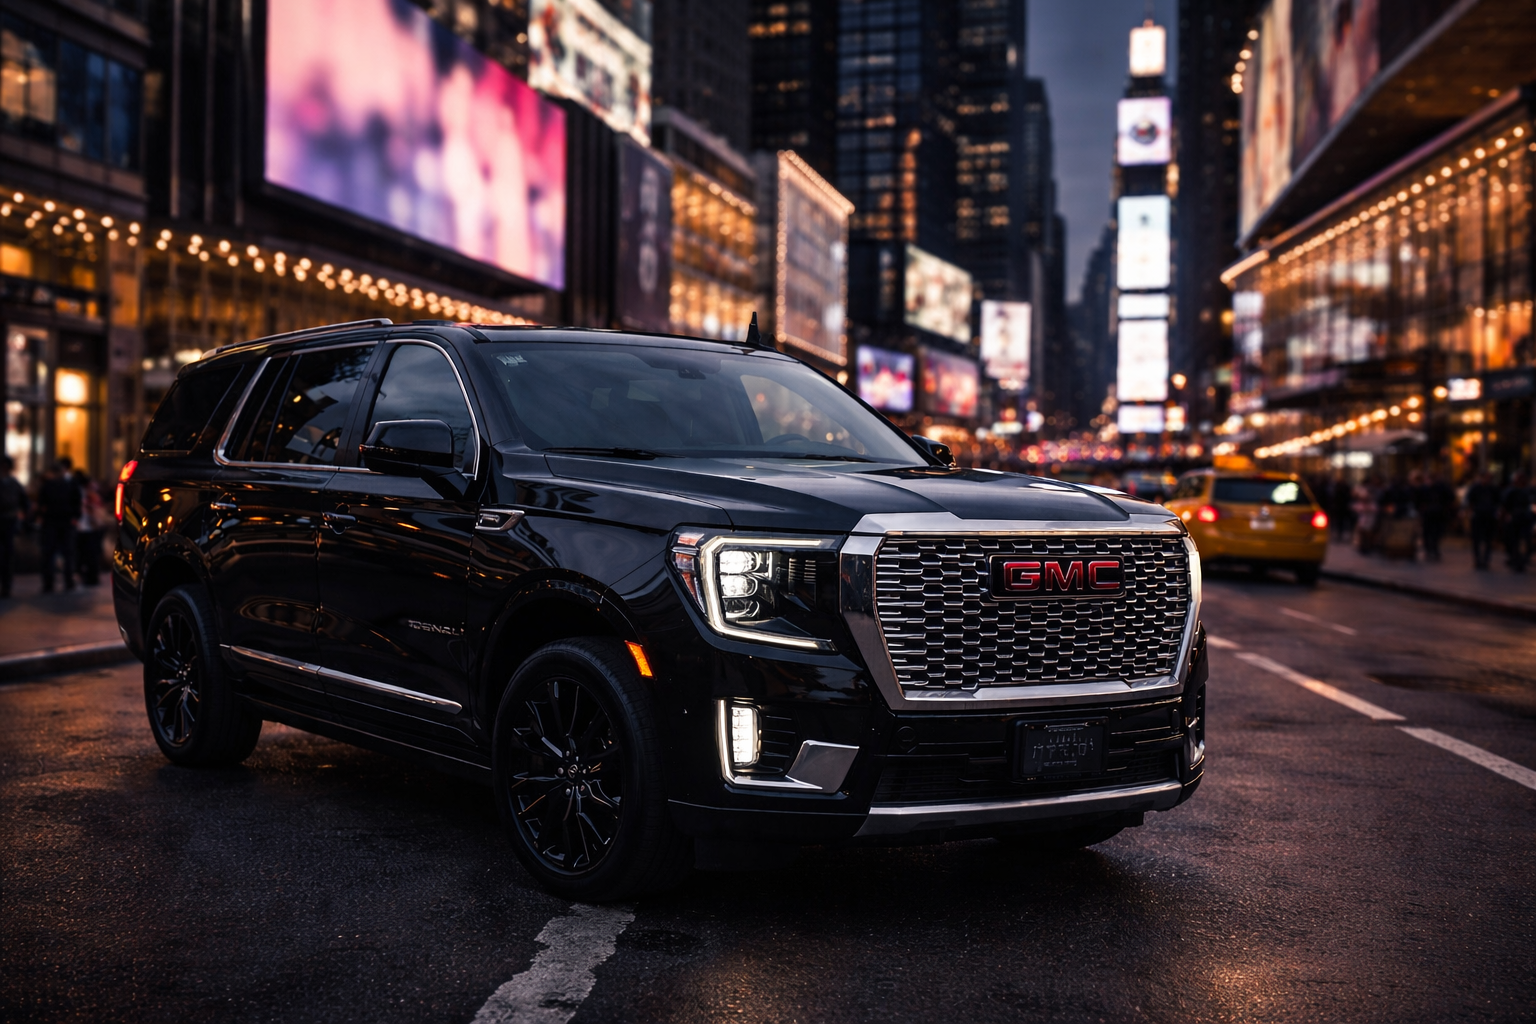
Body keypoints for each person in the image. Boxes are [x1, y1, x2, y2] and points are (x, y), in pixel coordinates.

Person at [35, 460, 82, 592]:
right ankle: (68, 581)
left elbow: (41, 504)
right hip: (66, 522)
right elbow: (77, 502)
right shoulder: (71, 484)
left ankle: (48, 583)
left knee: (49, 553)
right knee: (68, 553)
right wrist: (75, 517)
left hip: (51, 522)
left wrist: (41, 517)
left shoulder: (47, 485)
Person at [74, 471, 112, 587]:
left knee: (88, 555)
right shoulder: (89, 494)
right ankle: (90, 577)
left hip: (88, 528)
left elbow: (94, 510)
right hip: (89, 528)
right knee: (90, 554)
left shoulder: (87, 495)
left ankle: (91, 577)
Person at [0, 455, 28, 599]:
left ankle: (6, 586)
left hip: (9, 520)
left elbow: (23, 501)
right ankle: (6, 585)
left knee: (7, 554)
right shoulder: (14, 483)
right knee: (6, 553)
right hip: (9, 519)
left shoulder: (14, 483)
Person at [1465, 471, 1501, 570]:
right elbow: (1469, 500)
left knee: (1488, 539)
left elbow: (1498, 501)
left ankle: (1485, 560)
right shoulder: (1476, 488)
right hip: (1478, 515)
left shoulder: (1493, 489)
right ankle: (1478, 560)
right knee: (1477, 539)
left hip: (1489, 516)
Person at [1416, 472, 1455, 562]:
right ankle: (1431, 549)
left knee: (1434, 532)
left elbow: (1450, 497)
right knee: (1430, 532)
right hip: (1432, 513)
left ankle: (1432, 549)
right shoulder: (1426, 488)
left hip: (1437, 513)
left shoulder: (1439, 488)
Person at [1500, 471, 1533, 573]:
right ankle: (1517, 560)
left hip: (1524, 519)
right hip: (1516, 519)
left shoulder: (1528, 491)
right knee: (1515, 541)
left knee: (1523, 541)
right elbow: (1505, 504)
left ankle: (1520, 560)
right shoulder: (1512, 491)